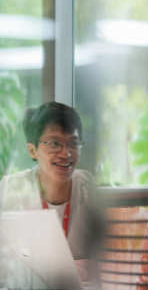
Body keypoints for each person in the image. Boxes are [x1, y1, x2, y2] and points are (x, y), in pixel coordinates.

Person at [0, 102, 94, 280]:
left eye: (73, 143)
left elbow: (106, 258)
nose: (66, 153)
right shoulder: (11, 189)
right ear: (32, 150)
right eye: (54, 143)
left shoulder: (87, 187)